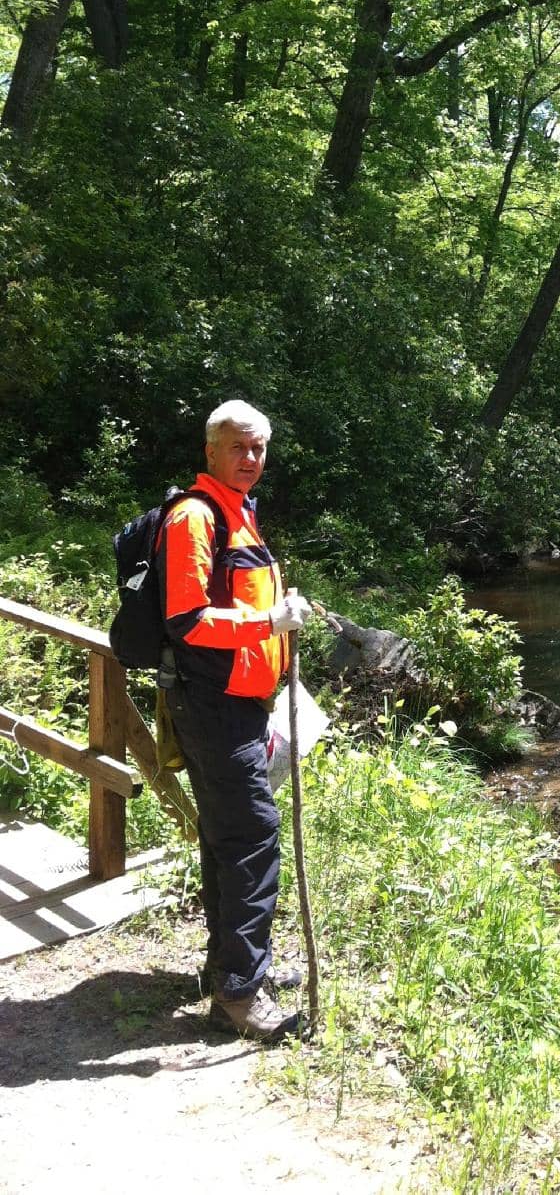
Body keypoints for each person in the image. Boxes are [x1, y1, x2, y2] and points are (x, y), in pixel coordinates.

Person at [157, 399, 311, 1042]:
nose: (251, 459)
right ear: (211, 452)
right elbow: (186, 619)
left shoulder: (239, 513)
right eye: (239, 447)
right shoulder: (195, 517)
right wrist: (267, 622)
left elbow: (239, 595)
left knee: (227, 836)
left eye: (259, 449)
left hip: (240, 703)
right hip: (210, 704)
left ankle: (229, 969)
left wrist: (284, 614)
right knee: (252, 836)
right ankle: (241, 996)